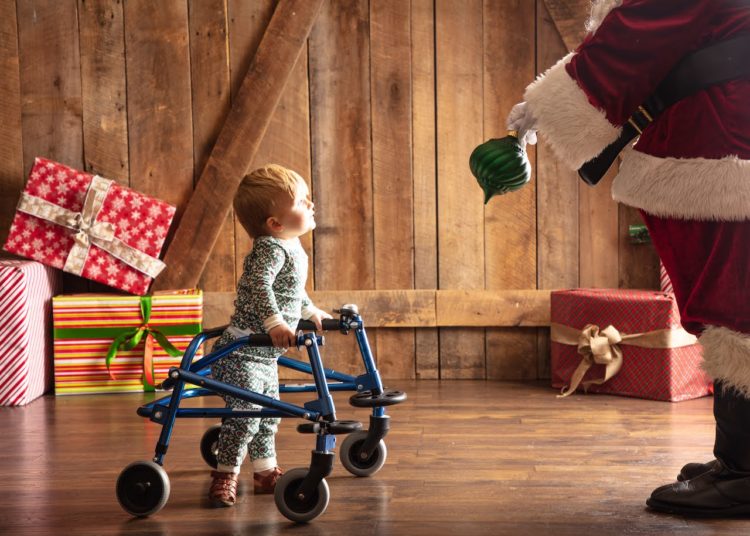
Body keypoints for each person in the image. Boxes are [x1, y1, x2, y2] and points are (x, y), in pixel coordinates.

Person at [509, 0, 750, 517]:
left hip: (727, 145)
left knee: (737, 304)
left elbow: (642, 28)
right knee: (732, 299)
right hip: (727, 135)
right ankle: (737, 459)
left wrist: (549, 102)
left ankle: (744, 474)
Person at [207, 164, 331, 507]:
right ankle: (225, 474)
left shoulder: (291, 247)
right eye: (302, 202)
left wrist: (310, 311)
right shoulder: (270, 249)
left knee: (268, 415)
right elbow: (259, 286)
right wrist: (275, 323)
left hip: (263, 356)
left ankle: (264, 471)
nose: (311, 205)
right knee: (246, 414)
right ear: (275, 224)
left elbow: (291, 290)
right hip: (240, 351)